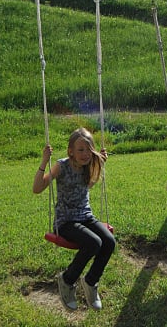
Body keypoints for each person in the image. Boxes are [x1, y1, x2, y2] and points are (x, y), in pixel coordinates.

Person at [33, 127, 115, 311]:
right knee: (94, 243)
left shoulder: (89, 164)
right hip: (66, 221)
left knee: (109, 242)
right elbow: (37, 188)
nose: (85, 154)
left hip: (86, 216)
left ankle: (90, 282)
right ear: (71, 151)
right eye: (80, 150)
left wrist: (100, 163)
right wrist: (44, 161)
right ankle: (67, 280)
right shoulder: (61, 166)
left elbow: (89, 184)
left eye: (88, 150)